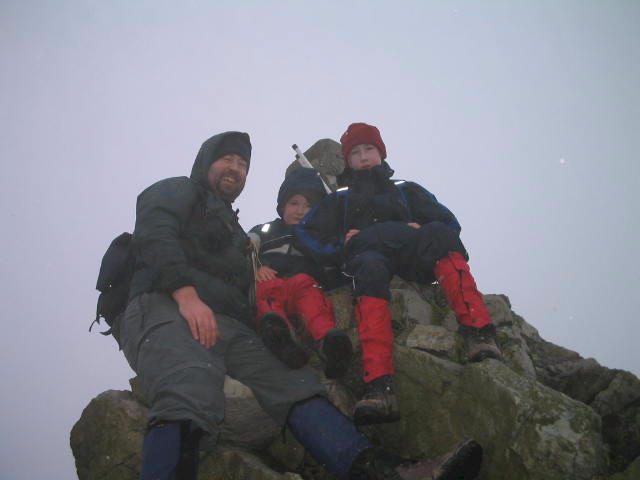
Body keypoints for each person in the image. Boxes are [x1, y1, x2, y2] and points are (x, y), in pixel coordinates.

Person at [114, 131, 483, 480]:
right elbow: (154, 231)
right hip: (162, 303)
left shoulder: (236, 231)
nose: (236, 168)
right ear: (205, 161)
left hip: (230, 323)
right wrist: (186, 295)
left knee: (295, 383)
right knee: (188, 387)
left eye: (242, 165)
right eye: (227, 159)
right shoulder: (179, 189)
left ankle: (380, 471)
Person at [296, 122, 503, 426]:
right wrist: (342, 245)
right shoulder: (338, 198)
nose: (364, 156)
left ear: (381, 152)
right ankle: (381, 386)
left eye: (369, 149)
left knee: (438, 234)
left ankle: (479, 333)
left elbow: (448, 223)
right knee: (368, 266)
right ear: (347, 160)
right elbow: (307, 234)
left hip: (411, 254)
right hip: (368, 258)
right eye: (355, 152)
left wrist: (420, 229)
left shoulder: (406, 189)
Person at [248, 167, 353, 379]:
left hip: (303, 284)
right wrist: (255, 268)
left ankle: (329, 344)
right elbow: (244, 249)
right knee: (268, 298)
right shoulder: (265, 230)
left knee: (312, 298)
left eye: (308, 206)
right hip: (271, 281)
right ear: (282, 206)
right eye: (294, 203)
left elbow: (332, 265)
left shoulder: (319, 237)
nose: (300, 210)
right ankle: (285, 341)